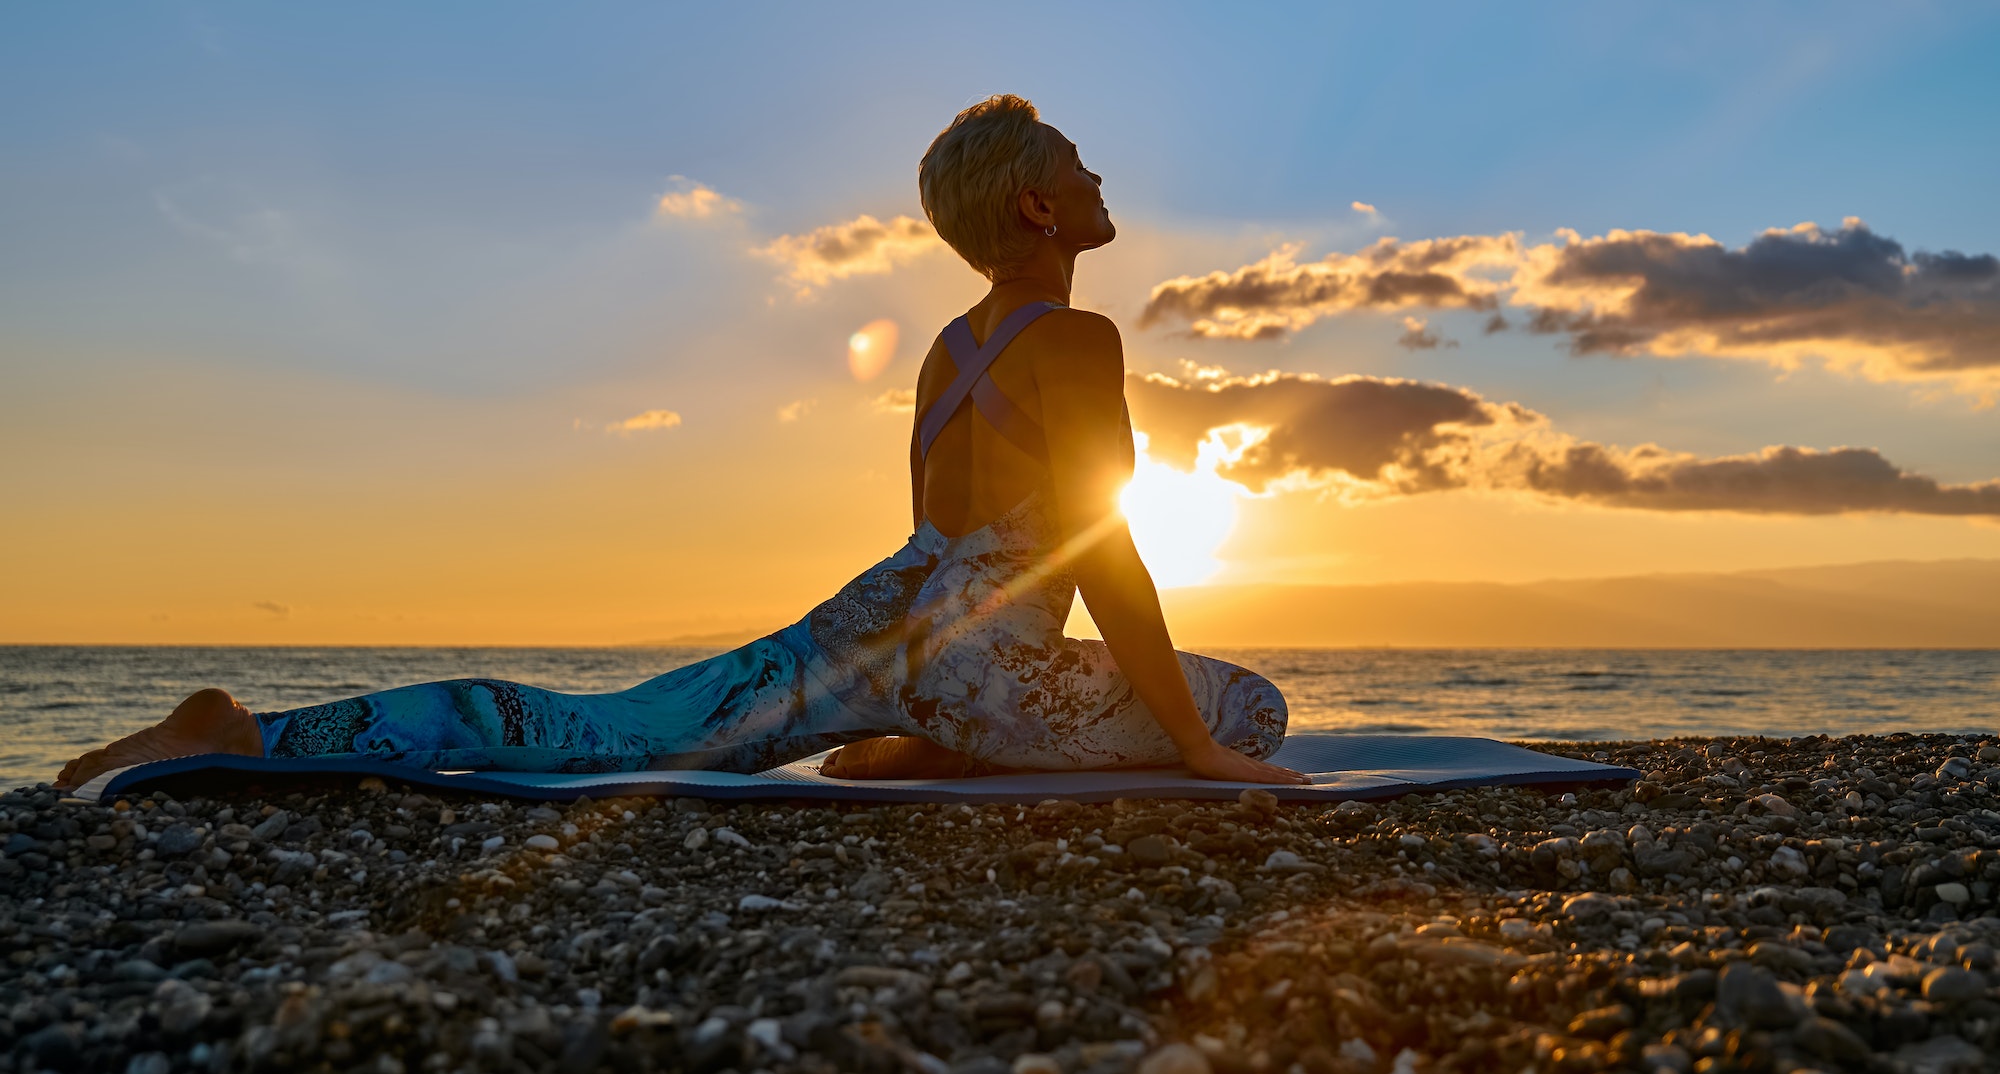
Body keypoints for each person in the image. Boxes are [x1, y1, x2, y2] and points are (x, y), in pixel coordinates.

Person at [54, 95, 1305, 791]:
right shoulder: (1074, 339)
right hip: (979, 660)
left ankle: (262, 733)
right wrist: (1194, 750)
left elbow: (943, 528)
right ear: (1038, 207)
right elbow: (1096, 542)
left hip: (873, 615)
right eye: (1076, 165)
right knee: (1254, 706)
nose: (1096, 177)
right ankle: (936, 739)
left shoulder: (944, 346)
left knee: (607, 727)